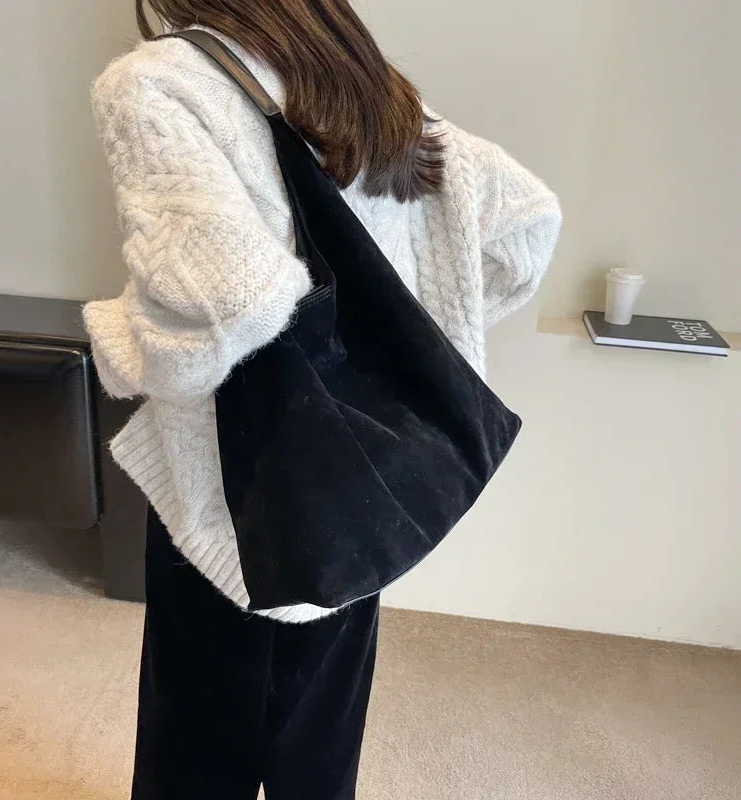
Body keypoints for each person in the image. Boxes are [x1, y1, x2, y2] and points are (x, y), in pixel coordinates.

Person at [83, 2, 562, 797]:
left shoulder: (157, 81)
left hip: (237, 483)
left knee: (195, 739)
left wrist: (121, 344)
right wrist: (409, 337)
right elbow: (526, 226)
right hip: (366, 472)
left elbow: (235, 301)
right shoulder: (353, 74)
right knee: (319, 741)